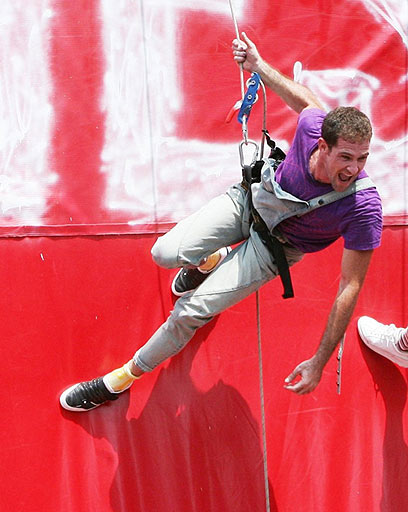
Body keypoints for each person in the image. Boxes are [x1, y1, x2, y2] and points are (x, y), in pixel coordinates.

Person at [60, 32, 383, 412]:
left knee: (189, 313)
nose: (354, 169)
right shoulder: (313, 127)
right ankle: (208, 262)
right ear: (323, 146)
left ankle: (121, 378)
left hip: (274, 250)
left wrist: (319, 361)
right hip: (249, 201)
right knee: (164, 253)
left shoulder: (363, 207)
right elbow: (307, 102)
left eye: (362, 158)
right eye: (346, 157)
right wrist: (259, 67)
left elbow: (350, 286)